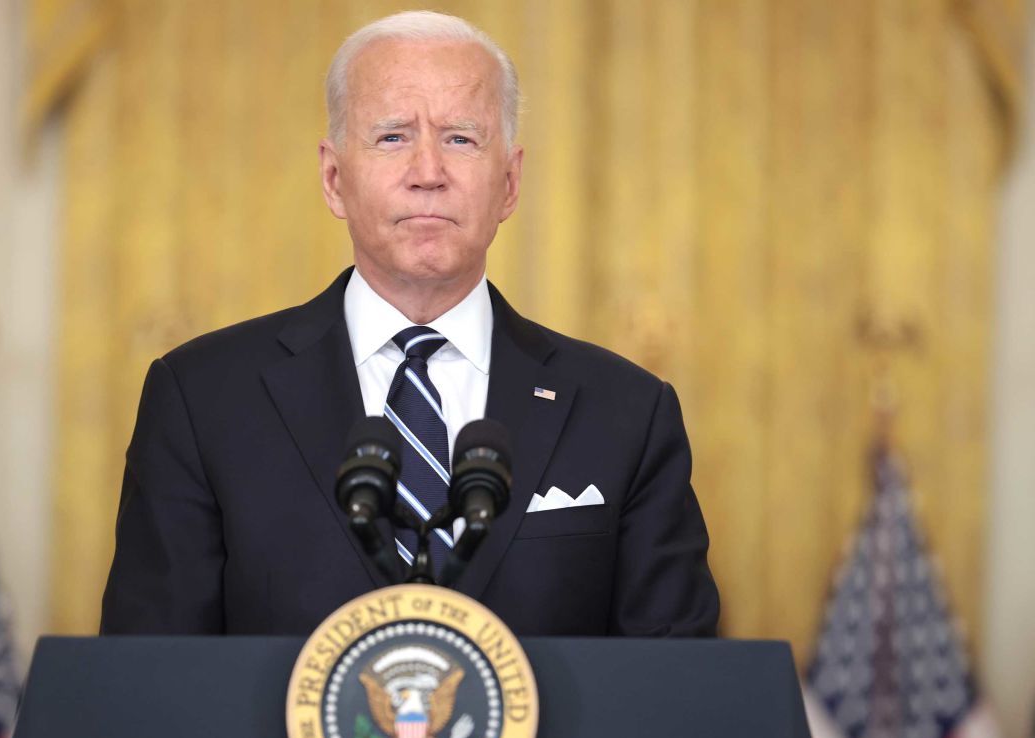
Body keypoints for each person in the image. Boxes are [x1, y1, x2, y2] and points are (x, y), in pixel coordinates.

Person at [100, 11, 719, 638]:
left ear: (509, 183)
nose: (428, 171)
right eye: (393, 137)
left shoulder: (627, 413)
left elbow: (675, 689)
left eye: (460, 138)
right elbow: (149, 684)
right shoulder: (202, 400)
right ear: (334, 178)